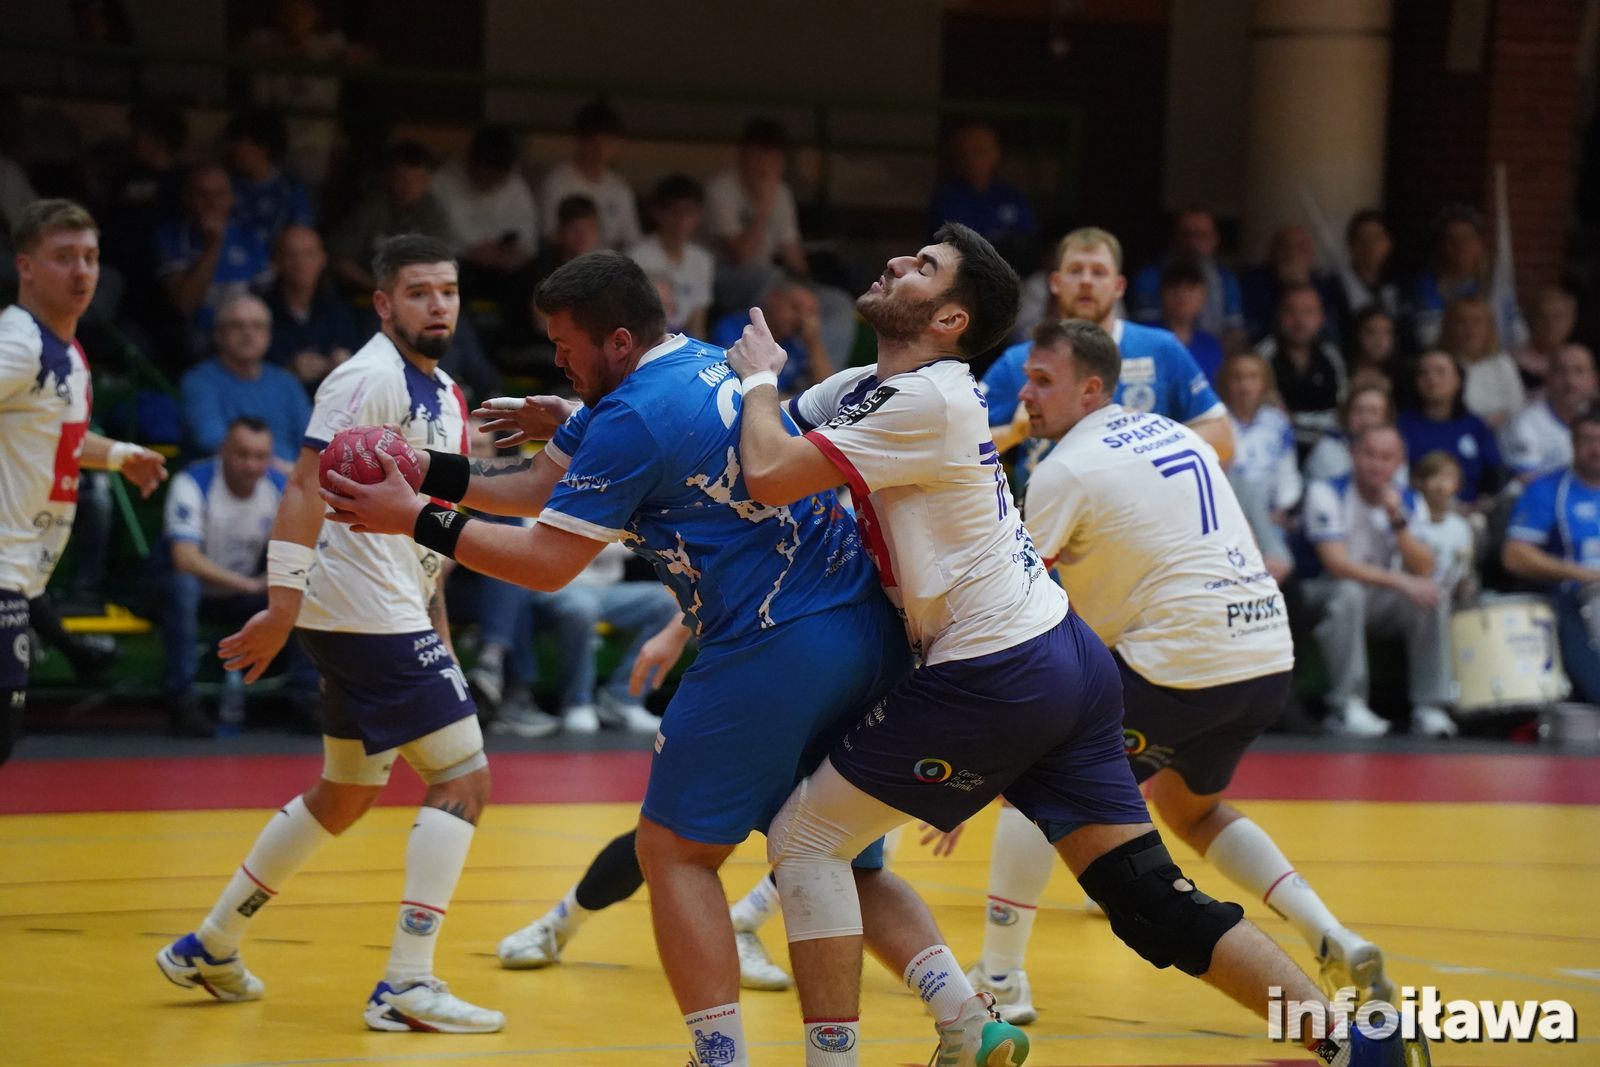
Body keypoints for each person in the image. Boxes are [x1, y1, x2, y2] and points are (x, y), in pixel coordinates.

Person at [727, 224, 1416, 1066]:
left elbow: (767, 471)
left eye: (925, 266)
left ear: (949, 320)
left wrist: (757, 376)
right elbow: (760, 429)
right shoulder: (881, 386)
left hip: (997, 670)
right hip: (1069, 659)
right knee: (1148, 898)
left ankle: (926, 1023)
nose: (898, 259)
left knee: (805, 842)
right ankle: (1351, 1044)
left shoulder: (933, 402)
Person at [319, 251, 972, 1067]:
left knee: (673, 852)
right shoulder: (694, 358)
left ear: (619, 342)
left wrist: (413, 516)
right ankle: (964, 1015)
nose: (557, 358)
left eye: (566, 345)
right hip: (865, 627)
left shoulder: (627, 415)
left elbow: (547, 561)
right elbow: (533, 487)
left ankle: (719, 1057)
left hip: (773, 647)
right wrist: (427, 471)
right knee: (832, 853)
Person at [956, 317, 1395, 1026]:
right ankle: (1330, 933)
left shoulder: (1064, 469)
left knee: (1036, 782)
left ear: (1091, 388)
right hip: (1265, 655)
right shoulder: (1174, 432)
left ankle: (1002, 976)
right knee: (1192, 810)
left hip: (1182, 662)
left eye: (1042, 381)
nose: (1025, 395)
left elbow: (1013, 597)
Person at [155, 234, 505, 1034]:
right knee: (464, 779)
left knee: (345, 793)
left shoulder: (447, 393)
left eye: (448, 290)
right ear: (383, 303)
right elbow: (307, 484)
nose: (438, 305)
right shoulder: (366, 377)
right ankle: (407, 982)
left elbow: (431, 527)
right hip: (360, 608)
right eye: (418, 292)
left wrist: (440, 628)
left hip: (386, 607)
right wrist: (281, 605)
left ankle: (211, 942)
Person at [1, 198, 167, 766]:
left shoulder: (66, 351)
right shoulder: (19, 344)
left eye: (90, 258)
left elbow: (55, 435)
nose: (81, 272)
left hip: (23, 570)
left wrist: (120, 455)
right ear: (26, 267)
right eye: (64, 257)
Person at [981, 227, 1234, 468]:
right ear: (1055, 282)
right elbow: (960, 449)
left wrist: (1147, 443)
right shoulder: (1018, 361)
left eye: (1099, 272)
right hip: (1051, 497)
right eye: (1075, 270)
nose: (1086, 281)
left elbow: (1222, 437)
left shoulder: (1160, 348)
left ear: (1119, 286)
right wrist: (1013, 433)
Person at [162, 416, 315, 736]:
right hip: (193, 592)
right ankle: (182, 701)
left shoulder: (277, 486)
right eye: (242, 455)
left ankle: (307, 698)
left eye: (260, 457)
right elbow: (184, 559)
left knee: (308, 582)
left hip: (245, 594)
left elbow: (304, 546)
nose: (251, 465)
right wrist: (249, 584)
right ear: (223, 451)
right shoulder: (192, 483)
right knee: (182, 586)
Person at [1300, 425, 1455, 738]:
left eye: (1386, 457)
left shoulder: (1408, 499)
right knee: (1349, 592)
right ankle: (1346, 706)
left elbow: (1425, 566)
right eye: (1369, 454)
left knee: (1430, 594)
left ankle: (1429, 706)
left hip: (1376, 594)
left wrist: (1397, 520)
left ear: (1400, 463)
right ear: (1353, 454)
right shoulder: (1327, 491)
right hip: (1319, 589)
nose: (1376, 464)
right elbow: (1337, 564)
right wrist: (1401, 581)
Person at [1503, 407, 1600, 703]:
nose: (1596, 449)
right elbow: (1515, 555)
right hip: (1572, 598)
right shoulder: (1547, 489)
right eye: (1588, 440)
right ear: (1572, 443)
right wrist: (1582, 573)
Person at [178, 293, 311, 466]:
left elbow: (310, 442)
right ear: (218, 334)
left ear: (269, 336)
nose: (248, 333)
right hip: (229, 477)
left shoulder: (287, 383)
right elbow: (211, 440)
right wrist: (279, 470)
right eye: (237, 325)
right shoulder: (199, 381)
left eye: (257, 326)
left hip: (291, 477)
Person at [157, 162, 272, 354]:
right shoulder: (171, 236)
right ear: (187, 198)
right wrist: (214, 244)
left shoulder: (250, 235)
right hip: (199, 335)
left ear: (231, 198)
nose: (211, 202)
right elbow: (184, 305)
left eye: (219, 194)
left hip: (244, 328)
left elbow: (266, 298)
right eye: (202, 194)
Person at [1218, 351, 1300, 581]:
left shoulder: (1277, 422)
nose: (1245, 385)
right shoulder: (1216, 421)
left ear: (1265, 383)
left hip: (1269, 514)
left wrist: (1282, 507)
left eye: (1253, 377)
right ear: (1225, 382)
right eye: (1237, 377)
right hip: (1227, 513)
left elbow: (1287, 473)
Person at [329, 141, 451, 293]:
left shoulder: (431, 210)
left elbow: (439, 262)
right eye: (402, 179)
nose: (410, 187)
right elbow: (340, 260)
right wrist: (376, 286)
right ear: (388, 177)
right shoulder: (370, 206)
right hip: (362, 291)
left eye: (418, 180)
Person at [926, 121, 1038, 270]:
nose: (971, 158)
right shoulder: (946, 198)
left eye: (979, 151)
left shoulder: (1013, 196)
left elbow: (1027, 244)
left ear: (997, 154)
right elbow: (952, 247)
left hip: (1010, 272)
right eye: (963, 152)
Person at [1395, 350, 1503, 505]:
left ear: (1458, 380)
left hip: (1471, 511)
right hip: (1417, 511)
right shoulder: (1401, 426)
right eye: (1423, 373)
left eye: (1441, 371)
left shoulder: (1475, 425)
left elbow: (1494, 475)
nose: (1432, 379)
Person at [261, 224, 362, 388]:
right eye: (291, 255)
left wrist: (346, 364)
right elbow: (248, 375)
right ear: (276, 261)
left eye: (309, 254)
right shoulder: (259, 311)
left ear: (323, 259)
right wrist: (288, 371)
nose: (300, 263)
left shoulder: (338, 309)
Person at [538, 99, 641, 250]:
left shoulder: (619, 187)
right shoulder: (558, 182)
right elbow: (550, 235)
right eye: (595, 143)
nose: (601, 151)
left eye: (608, 143)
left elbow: (632, 239)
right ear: (580, 142)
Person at [1255, 282, 1347, 450]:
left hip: (1328, 443)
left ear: (1321, 318)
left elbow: (1343, 405)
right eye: (1291, 312)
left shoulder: (1332, 355)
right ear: (1278, 315)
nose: (1299, 320)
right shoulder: (1262, 356)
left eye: (1308, 312)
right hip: (1278, 443)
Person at [1129, 207, 1244, 338]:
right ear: (1175, 237)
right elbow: (1144, 328)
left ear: (1215, 239)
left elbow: (1234, 329)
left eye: (1201, 235)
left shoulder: (1226, 279)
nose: (1193, 242)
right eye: (1186, 234)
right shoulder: (1149, 277)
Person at [710, 277, 834, 396]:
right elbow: (731, 387)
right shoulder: (733, 327)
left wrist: (814, 343)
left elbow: (828, 394)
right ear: (774, 299)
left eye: (810, 313)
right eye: (796, 308)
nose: (802, 319)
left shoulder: (795, 347)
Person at [627, 174, 715, 337]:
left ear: (698, 216)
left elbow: (698, 320)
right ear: (658, 213)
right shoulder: (638, 256)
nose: (682, 220)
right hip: (650, 337)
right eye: (675, 212)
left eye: (689, 212)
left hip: (684, 338)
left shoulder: (702, 260)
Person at [1500, 343, 1600, 481]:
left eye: (1579, 371)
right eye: (1561, 371)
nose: (1571, 382)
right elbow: (1530, 483)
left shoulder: (1594, 417)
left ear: (1594, 379)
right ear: (1547, 377)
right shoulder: (1524, 424)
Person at [223, 108, 314, 251]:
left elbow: (299, 240)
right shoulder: (224, 185)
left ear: (263, 147)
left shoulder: (291, 191)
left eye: (240, 141)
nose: (232, 148)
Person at [1440, 295, 1524, 428]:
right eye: (1461, 322)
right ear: (1449, 326)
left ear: (1490, 327)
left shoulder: (1502, 363)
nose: (1470, 330)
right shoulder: (1439, 363)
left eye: (1477, 322)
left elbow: (1517, 407)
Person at [1410, 450, 1477, 608]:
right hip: (1412, 598)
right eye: (1434, 476)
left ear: (1457, 484)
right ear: (1420, 482)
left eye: (1448, 477)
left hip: (1447, 603)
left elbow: (1462, 574)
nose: (1441, 485)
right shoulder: (1409, 520)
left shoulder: (1461, 527)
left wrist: (1466, 586)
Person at [1303, 382, 1397, 484]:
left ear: (1386, 418)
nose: (1366, 418)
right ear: (1347, 415)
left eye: (1373, 412)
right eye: (1359, 411)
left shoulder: (1395, 449)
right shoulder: (1328, 447)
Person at [1157, 254, 1224, 384]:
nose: (1182, 296)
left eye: (1191, 289)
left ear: (1203, 296)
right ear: (1162, 293)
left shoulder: (1211, 346)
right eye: (1175, 288)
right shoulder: (1144, 339)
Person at [1514, 286, 1579, 389]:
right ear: (1530, 321)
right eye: (1542, 317)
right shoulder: (1512, 365)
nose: (1550, 324)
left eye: (1557, 317)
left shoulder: (1581, 362)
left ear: (1571, 321)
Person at [1343, 305, 1399, 393]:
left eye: (1387, 332)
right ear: (1358, 335)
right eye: (1371, 332)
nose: (1379, 340)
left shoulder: (1400, 377)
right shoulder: (1342, 373)